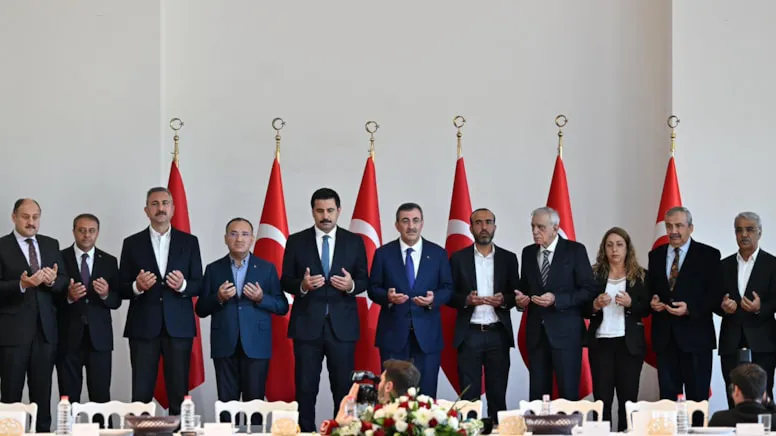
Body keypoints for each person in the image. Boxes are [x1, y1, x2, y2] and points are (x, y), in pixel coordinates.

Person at [281, 188, 368, 432]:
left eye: (330, 210)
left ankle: (341, 432)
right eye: (320, 211)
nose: (325, 216)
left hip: (343, 328)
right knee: (305, 388)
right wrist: (302, 285)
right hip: (306, 327)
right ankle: (305, 432)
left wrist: (351, 286)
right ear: (313, 212)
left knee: (343, 389)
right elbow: (285, 280)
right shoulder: (296, 241)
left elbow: (364, 279)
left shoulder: (354, 241)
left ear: (339, 211)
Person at [119, 187, 203, 416]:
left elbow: (199, 284)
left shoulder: (189, 242)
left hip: (179, 327)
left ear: (173, 209)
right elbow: (121, 287)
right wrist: (137, 286)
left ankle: (180, 430)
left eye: (165, 203)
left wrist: (183, 285)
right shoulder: (132, 243)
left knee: (179, 391)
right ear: (146, 210)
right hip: (143, 326)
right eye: (154, 204)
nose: (160, 208)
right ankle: (141, 431)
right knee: (141, 392)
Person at [197, 217, 289, 425]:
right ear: (225, 238)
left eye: (245, 234)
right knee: (226, 407)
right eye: (234, 234)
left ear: (252, 239)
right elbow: (200, 309)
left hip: (256, 345)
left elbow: (282, 305)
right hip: (224, 344)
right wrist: (218, 297)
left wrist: (261, 298)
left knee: (254, 406)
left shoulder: (266, 268)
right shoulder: (213, 269)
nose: (239, 239)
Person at [369, 202, 453, 398]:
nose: (411, 226)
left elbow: (448, 288)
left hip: (427, 336)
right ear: (397, 225)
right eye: (405, 221)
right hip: (393, 335)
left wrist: (433, 299)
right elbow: (373, 288)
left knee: (427, 395)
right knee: (392, 396)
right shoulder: (383, 254)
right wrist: (387, 297)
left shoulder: (438, 253)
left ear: (422, 223)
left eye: (415, 221)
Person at [0, 198, 67, 432]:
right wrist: (21, 285)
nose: (31, 222)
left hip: (45, 333)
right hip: (13, 334)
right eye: (25, 217)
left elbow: (64, 281)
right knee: (11, 396)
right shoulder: (2, 246)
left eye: (35, 217)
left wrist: (53, 280)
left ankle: (43, 433)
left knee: (43, 395)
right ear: (14, 217)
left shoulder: (50, 244)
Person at [518, 206, 597, 400]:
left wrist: (557, 299)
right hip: (537, 335)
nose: (535, 231)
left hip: (566, 334)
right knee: (538, 397)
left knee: (568, 394)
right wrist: (520, 300)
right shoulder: (528, 253)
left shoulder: (575, 251)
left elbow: (589, 290)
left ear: (555, 228)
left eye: (541, 227)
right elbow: (524, 288)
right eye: (533, 226)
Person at [649, 206, 724, 408]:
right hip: (665, 340)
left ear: (690, 228)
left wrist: (690, 308)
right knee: (667, 403)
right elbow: (652, 290)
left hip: (696, 339)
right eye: (669, 226)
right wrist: (653, 300)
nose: (673, 231)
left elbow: (716, 295)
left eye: (679, 226)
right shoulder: (655, 255)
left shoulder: (708, 255)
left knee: (697, 402)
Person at [449, 208, 518, 422]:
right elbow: (449, 295)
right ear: (471, 228)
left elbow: (516, 294)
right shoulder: (458, 259)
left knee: (497, 395)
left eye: (488, 222)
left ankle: (497, 430)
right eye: (478, 223)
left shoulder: (508, 258)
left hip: (498, 333)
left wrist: (504, 300)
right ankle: (470, 431)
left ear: (495, 227)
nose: (484, 227)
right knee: (469, 398)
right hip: (469, 334)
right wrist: (466, 300)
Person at [56, 213, 121, 418]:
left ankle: (102, 432)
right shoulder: (59, 257)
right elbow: (50, 298)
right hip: (68, 339)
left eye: (91, 231)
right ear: (73, 231)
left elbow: (117, 300)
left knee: (101, 398)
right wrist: (68, 297)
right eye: (82, 230)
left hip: (99, 340)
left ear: (98, 233)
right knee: (68, 399)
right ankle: (69, 431)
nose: (86, 235)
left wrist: (106, 294)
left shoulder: (109, 261)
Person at [584, 227, 649, 431]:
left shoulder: (640, 276)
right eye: (610, 245)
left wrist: (631, 304)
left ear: (627, 248)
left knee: (627, 401)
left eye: (619, 245)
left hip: (629, 346)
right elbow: (583, 308)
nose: (614, 250)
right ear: (604, 249)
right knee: (601, 401)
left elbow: (647, 308)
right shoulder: (594, 275)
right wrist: (595, 305)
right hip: (601, 344)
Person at [717, 212, 776, 407]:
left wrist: (760, 308)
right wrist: (723, 307)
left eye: (749, 229)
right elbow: (714, 300)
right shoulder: (723, 265)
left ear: (760, 232)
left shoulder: (772, 264)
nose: (744, 234)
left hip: (763, 341)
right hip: (731, 341)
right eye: (739, 230)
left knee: (764, 396)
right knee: (733, 395)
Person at [335, 359, 421, 425]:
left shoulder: (378, 426)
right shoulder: (417, 423)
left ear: (388, 386)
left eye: (381, 380)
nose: (378, 385)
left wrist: (348, 411)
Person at [709, 363, 776, 429]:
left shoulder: (718, 420)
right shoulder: (772, 421)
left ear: (737, 391)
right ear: (764, 394)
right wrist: (770, 402)